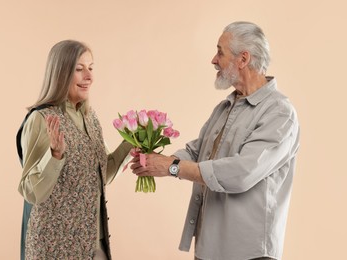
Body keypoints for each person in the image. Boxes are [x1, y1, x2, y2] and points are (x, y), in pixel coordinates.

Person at [130, 21, 300, 260]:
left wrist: (173, 167)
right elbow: (197, 151)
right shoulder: (226, 107)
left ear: (243, 59)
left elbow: (242, 173)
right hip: (209, 248)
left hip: (248, 253)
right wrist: (155, 161)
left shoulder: (279, 113)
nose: (213, 60)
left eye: (220, 52)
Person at [17, 40, 132, 260]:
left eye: (91, 68)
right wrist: (54, 156)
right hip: (53, 246)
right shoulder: (40, 119)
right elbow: (31, 192)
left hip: (93, 243)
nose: (89, 76)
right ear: (60, 74)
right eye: (79, 69)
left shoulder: (90, 117)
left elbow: (100, 175)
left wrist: (134, 141)